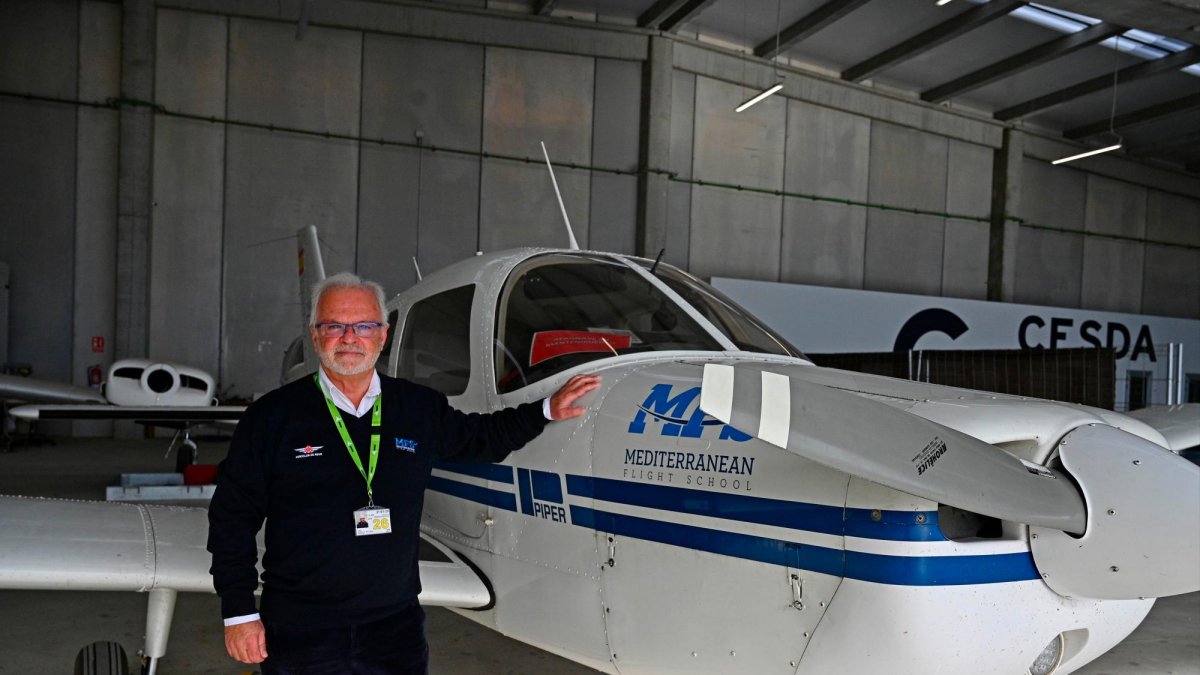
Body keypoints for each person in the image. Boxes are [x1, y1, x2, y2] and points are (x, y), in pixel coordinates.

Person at [207, 272, 600, 674]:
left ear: (383, 334)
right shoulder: (272, 417)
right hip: (300, 627)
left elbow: (481, 439)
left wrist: (545, 410)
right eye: (334, 326)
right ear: (315, 334)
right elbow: (231, 518)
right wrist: (238, 611)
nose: (349, 337)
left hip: (393, 629)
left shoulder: (418, 407)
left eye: (363, 326)